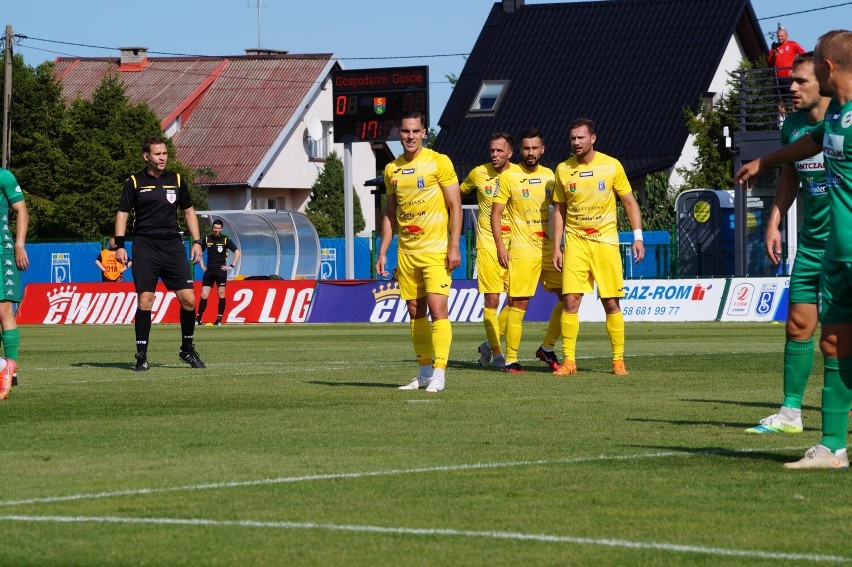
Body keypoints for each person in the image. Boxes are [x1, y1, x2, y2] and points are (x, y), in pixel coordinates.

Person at [735, 29, 852, 469]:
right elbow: (810, 144)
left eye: (804, 74)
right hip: (832, 252)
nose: (794, 84)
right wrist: (765, 162)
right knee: (832, 343)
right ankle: (831, 447)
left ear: (826, 68)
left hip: (845, 250)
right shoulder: (837, 117)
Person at [746, 53, 830, 435]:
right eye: (789, 81)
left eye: (800, 82)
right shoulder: (793, 128)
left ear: (825, 81)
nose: (791, 88)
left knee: (838, 334)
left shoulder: (844, 122)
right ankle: (790, 413)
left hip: (845, 245)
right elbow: (790, 178)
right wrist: (774, 223)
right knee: (798, 324)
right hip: (812, 245)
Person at [375, 111, 462, 392]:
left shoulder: (439, 162)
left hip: (436, 250)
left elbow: (455, 206)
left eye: (415, 131)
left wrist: (453, 245)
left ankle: (440, 372)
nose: (410, 136)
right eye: (405, 131)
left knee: (439, 309)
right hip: (407, 253)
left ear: (424, 132)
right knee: (415, 311)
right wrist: (383, 252)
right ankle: (424, 372)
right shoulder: (391, 170)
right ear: (398, 133)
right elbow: (390, 214)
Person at [551, 118, 645, 377]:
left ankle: (618, 361)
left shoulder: (611, 165)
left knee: (611, 302)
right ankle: (569, 362)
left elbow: (629, 202)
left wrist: (638, 237)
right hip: (575, 243)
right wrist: (557, 246)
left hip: (605, 242)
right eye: (573, 138)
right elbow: (559, 210)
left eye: (581, 137)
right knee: (570, 301)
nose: (576, 142)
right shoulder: (563, 169)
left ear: (593, 138)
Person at [114, 136, 205, 372]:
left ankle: (187, 349)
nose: (162, 158)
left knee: (189, 300)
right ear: (146, 156)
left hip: (173, 246)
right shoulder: (134, 182)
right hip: (145, 246)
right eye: (157, 154)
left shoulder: (176, 179)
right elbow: (122, 213)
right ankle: (141, 355)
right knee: (145, 300)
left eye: (164, 153)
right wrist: (120, 245)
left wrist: (197, 242)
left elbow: (188, 211)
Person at [491, 128, 562, 373]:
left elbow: (558, 213)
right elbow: (496, 214)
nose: (530, 153)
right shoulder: (509, 177)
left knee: (570, 297)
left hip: (549, 249)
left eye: (535, 148)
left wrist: (560, 245)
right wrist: (501, 246)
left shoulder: (550, 176)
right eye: (526, 148)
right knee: (518, 304)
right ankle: (511, 360)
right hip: (521, 250)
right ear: (519, 150)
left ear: (543, 149)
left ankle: (547, 348)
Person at [460, 132, 517, 368]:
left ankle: (487, 344)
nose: (494, 155)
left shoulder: (518, 175)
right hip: (487, 246)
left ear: (510, 153)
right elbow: (457, 193)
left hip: (516, 246)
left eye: (499, 151)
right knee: (492, 300)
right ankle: (497, 353)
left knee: (516, 301)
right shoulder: (477, 173)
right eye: (492, 150)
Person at [0, 167, 29, 400]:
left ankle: (11, 368)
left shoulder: (4, 176)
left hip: (2, 253)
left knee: (4, 311)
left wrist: (19, 245)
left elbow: (21, 210)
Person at [196, 219, 240, 325]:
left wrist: (231, 266)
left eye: (218, 228)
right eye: (215, 227)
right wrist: (201, 264)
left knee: (221, 293)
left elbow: (237, 252)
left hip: (221, 270)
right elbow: (199, 251)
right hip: (209, 270)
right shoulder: (207, 239)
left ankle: (219, 319)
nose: (216, 230)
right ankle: (198, 319)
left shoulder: (225, 239)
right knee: (203, 295)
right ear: (212, 228)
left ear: (222, 229)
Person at [768, 28, 806, 116]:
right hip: (778, 77)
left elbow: (803, 54)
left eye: (782, 36)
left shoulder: (792, 44)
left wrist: (795, 68)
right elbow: (769, 63)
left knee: (793, 98)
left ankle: (794, 118)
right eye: (778, 36)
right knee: (779, 99)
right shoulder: (774, 48)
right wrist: (773, 55)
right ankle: (782, 120)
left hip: (789, 77)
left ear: (786, 36)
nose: (780, 38)